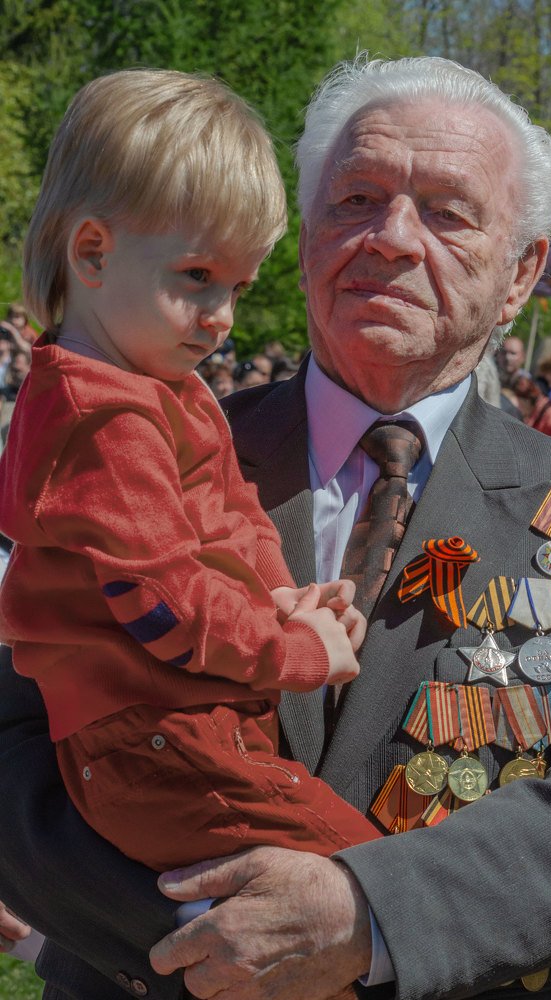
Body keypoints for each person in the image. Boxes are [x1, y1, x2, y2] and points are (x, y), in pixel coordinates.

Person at [0, 55, 551, 1000]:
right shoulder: (138, 454)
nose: (392, 239)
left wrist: (363, 921)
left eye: (447, 212)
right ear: (310, 232)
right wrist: (207, 939)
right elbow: (12, 745)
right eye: (357, 198)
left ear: (524, 270)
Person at [0, 66, 382, 889]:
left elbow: (235, 513)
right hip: (151, 740)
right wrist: (294, 650)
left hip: (179, 730)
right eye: (198, 278)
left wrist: (282, 595)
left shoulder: (158, 387)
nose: (223, 318)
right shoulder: (106, 415)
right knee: (366, 887)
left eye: (238, 287)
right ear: (93, 253)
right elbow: (163, 601)